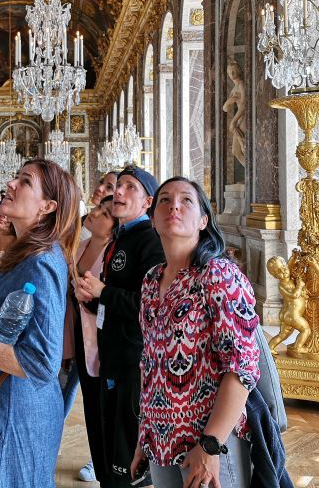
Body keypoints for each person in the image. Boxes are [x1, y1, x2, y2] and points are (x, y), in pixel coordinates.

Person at [0, 159, 81, 488]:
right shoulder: (24, 254)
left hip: (18, 412)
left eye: (24, 181)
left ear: (47, 206)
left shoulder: (41, 261)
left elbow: (41, 362)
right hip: (4, 403)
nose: (10, 183)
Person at [130, 177, 260, 488]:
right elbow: (150, 364)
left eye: (186, 200)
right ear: (152, 219)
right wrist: (142, 436)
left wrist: (211, 444)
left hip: (209, 442)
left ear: (203, 220)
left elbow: (242, 367)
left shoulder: (219, 275)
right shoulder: (151, 280)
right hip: (160, 441)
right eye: (164, 200)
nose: (174, 205)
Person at [75, 166, 164, 487]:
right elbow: (113, 302)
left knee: (127, 458)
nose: (119, 193)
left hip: (133, 362)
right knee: (110, 448)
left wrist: (103, 293)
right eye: (118, 186)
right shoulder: (121, 238)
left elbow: (152, 303)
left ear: (147, 201)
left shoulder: (149, 241)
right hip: (112, 358)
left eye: (129, 187)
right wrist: (91, 300)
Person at [71, 196, 118, 485]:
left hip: (104, 339)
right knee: (90, 402)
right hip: (81, 333)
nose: (95, 213)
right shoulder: (85, 244)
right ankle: (100, 465)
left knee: (106, 407)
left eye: (104, 213)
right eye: (98, 207)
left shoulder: (115, 254)